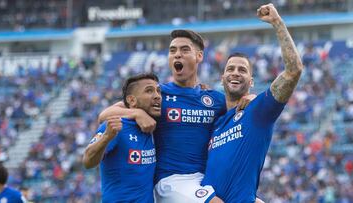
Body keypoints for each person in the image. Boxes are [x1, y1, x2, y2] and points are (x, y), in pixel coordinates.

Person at [98, 29, 255, 202]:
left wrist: (251, 97)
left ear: (199, 56)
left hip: (204, 181)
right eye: (173, 51)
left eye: (184, 50)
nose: (177, 55)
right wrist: (135, 112)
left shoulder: (214, 99)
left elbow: (239, 108)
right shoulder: (158, 96)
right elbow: (105, 115)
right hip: (171, 182)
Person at [201, 4, 304, 202]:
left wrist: (277, 23)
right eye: (230, 69)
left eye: (242, 70)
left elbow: (294, 70)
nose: (235, 73)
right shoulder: (215, 123)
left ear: (251, 81)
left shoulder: (258, 111)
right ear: (222, 77)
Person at [83, 73, 162, 203]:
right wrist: (106, 137)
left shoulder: (154, 126)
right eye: (149, 91)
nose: (157, 96)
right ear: (132, 101)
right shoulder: (116, 125)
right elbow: (87, 161)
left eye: (158, 91)